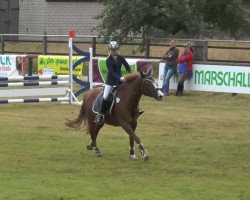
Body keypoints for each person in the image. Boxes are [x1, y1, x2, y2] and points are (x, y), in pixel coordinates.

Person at [95, 41, 132, 124]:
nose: (113, 51)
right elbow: (111, 73)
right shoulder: (108, 60)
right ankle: (100, 114)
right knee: (105, 96)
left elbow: (127, 66)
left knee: (128, 92)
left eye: (115, 50)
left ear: (117, 50)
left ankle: (135, 109)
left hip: (120, 81)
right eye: (112, 50)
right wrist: (120, 78)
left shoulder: (121, 58)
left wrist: (130, 74)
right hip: (110, 82)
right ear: (109, 50)